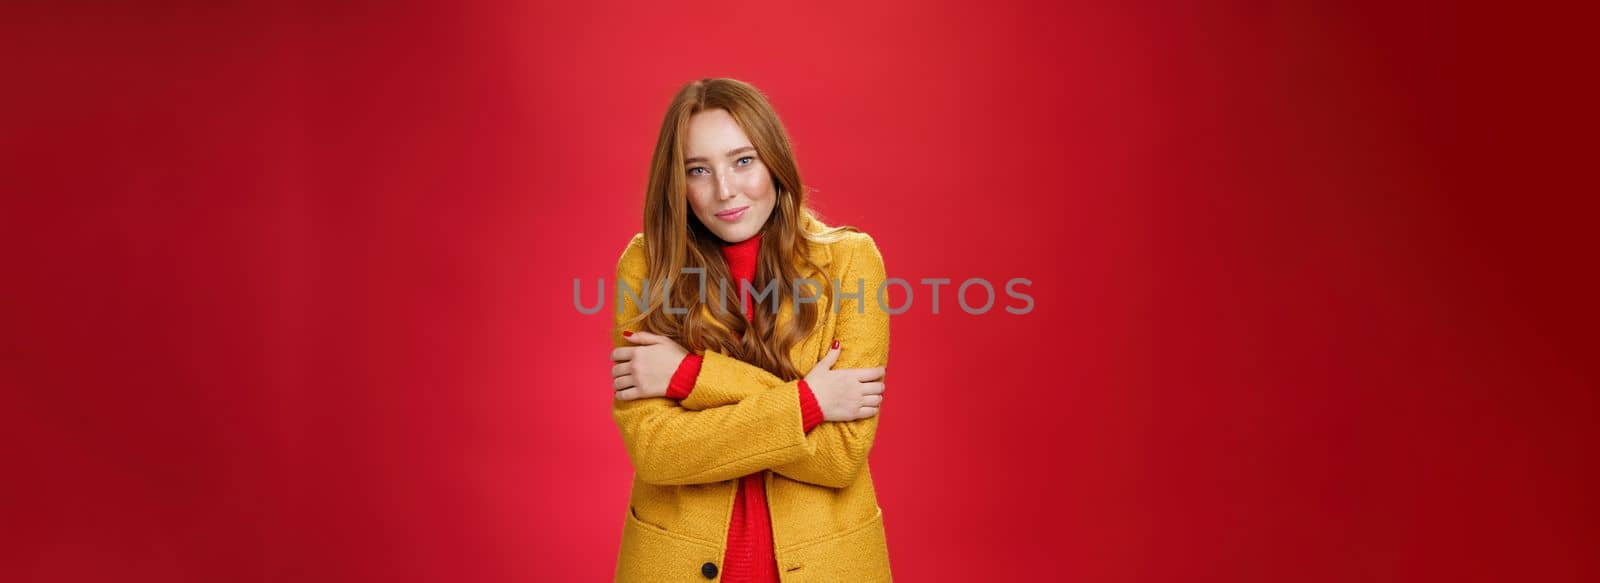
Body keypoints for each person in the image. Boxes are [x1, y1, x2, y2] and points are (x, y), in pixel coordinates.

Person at [608, 77, 893, 582]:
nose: (725, 190)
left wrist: (689, 377)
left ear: (774, 161)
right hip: (674, 563)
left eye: (743, 161)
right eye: (699, 170)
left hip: (828, 565)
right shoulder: (646, 266)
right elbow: (657, 452)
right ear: (677, 183)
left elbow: (838, 456)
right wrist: (811, 401)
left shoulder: (851, 262)